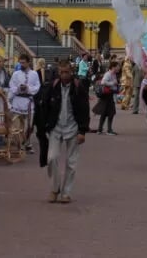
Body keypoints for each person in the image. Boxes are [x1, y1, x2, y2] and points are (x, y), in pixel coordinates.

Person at [41, 59, 89, 203]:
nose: (64, 75)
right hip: (56, 127)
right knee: (52, 158)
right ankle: (55, 188)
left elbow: (84, 109)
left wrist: (82, 131)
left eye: (66, 72)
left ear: (71, 71)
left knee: (71, 162)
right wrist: (45, 126)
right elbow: (45, 107)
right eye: (61, 72)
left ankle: (66, 192)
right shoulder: (53, 86)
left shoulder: (78, 87)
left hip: (73, 127)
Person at [8, 53, 41, 153]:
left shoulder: (34, 74)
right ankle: (19, 144)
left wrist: (28, 88)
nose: (21, 64)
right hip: (17, 101)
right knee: (17, 125)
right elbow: (11, 86)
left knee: (29, 125)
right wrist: (18, 88)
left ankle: (28, 143)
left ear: (28, 62)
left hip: (28, 102)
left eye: (23, 63)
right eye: (20, 62)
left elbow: (37, 86)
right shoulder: (16, 74)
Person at [92, 60, 119, 134]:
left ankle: (100, 129)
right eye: (117, 66)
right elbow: (103, 82)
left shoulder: (113, 74)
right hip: (107, 96)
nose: (118, 68)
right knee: (111, 112)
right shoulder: (108, 74)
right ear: (113, 67)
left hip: (109, 95)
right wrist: (113, 83)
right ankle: (108, 130)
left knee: (105, 113)